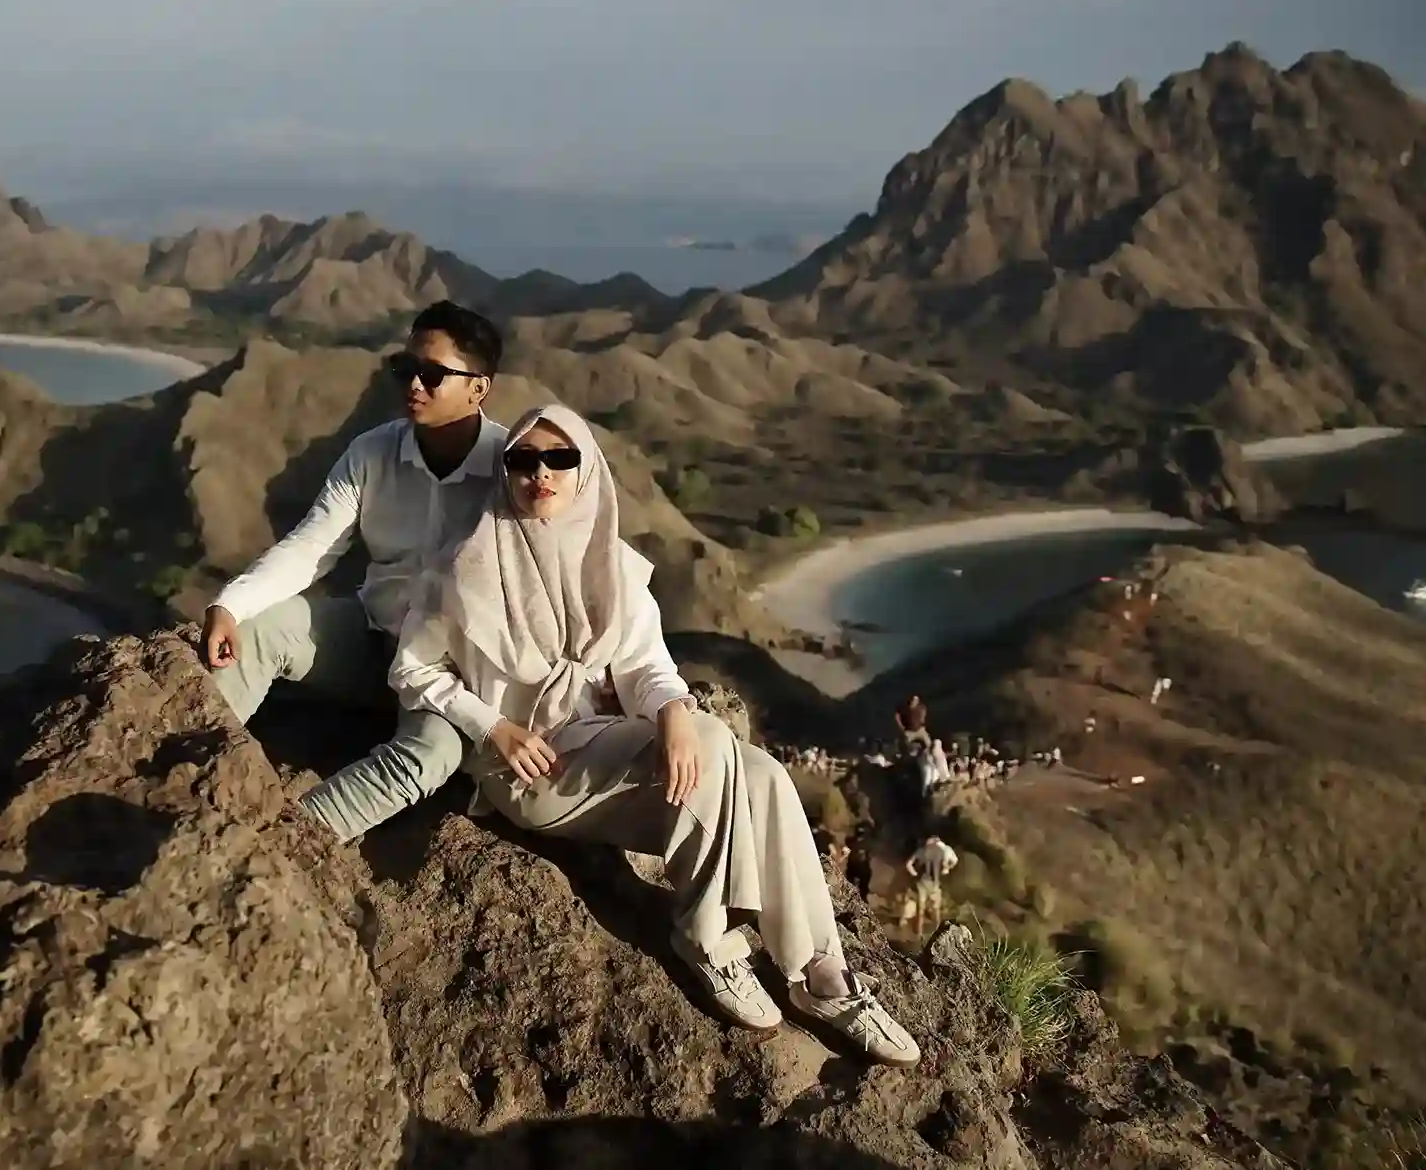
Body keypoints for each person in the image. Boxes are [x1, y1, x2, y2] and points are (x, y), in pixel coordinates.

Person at [387, 402, 920, 1066]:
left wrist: (671, 711)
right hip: (530, 771)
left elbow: (645, 664)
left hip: (604, 742)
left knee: (764, 777)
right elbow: (411, 669)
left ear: (586, 471)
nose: (539, 474)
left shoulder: (606, 562)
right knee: (719, 749)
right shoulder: (462, 564)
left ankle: (822, 975)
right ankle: (707, 940)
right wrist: (491, 725)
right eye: (523, 459)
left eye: (559, 459)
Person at [200, 301, 509, 841]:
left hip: (451, 677)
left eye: (432, 374)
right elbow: (311, 548)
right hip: (370, 640)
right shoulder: (372, 453)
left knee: (434, 752)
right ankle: (191, 773)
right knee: (256, 631)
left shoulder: (513, 469)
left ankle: (290, 842)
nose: (413, 383)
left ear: (478, 388)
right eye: (404, 368)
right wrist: (231, 603)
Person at [904, 835, 959, 936]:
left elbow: (908, 864)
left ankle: (918, 934)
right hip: (935, 884)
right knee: (936, 910)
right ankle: (938, 934)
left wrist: (915, 874)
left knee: (920, 909)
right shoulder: (943, 851)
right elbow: (950, 863)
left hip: (922, 883)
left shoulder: (922, 851)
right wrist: (946, 869)